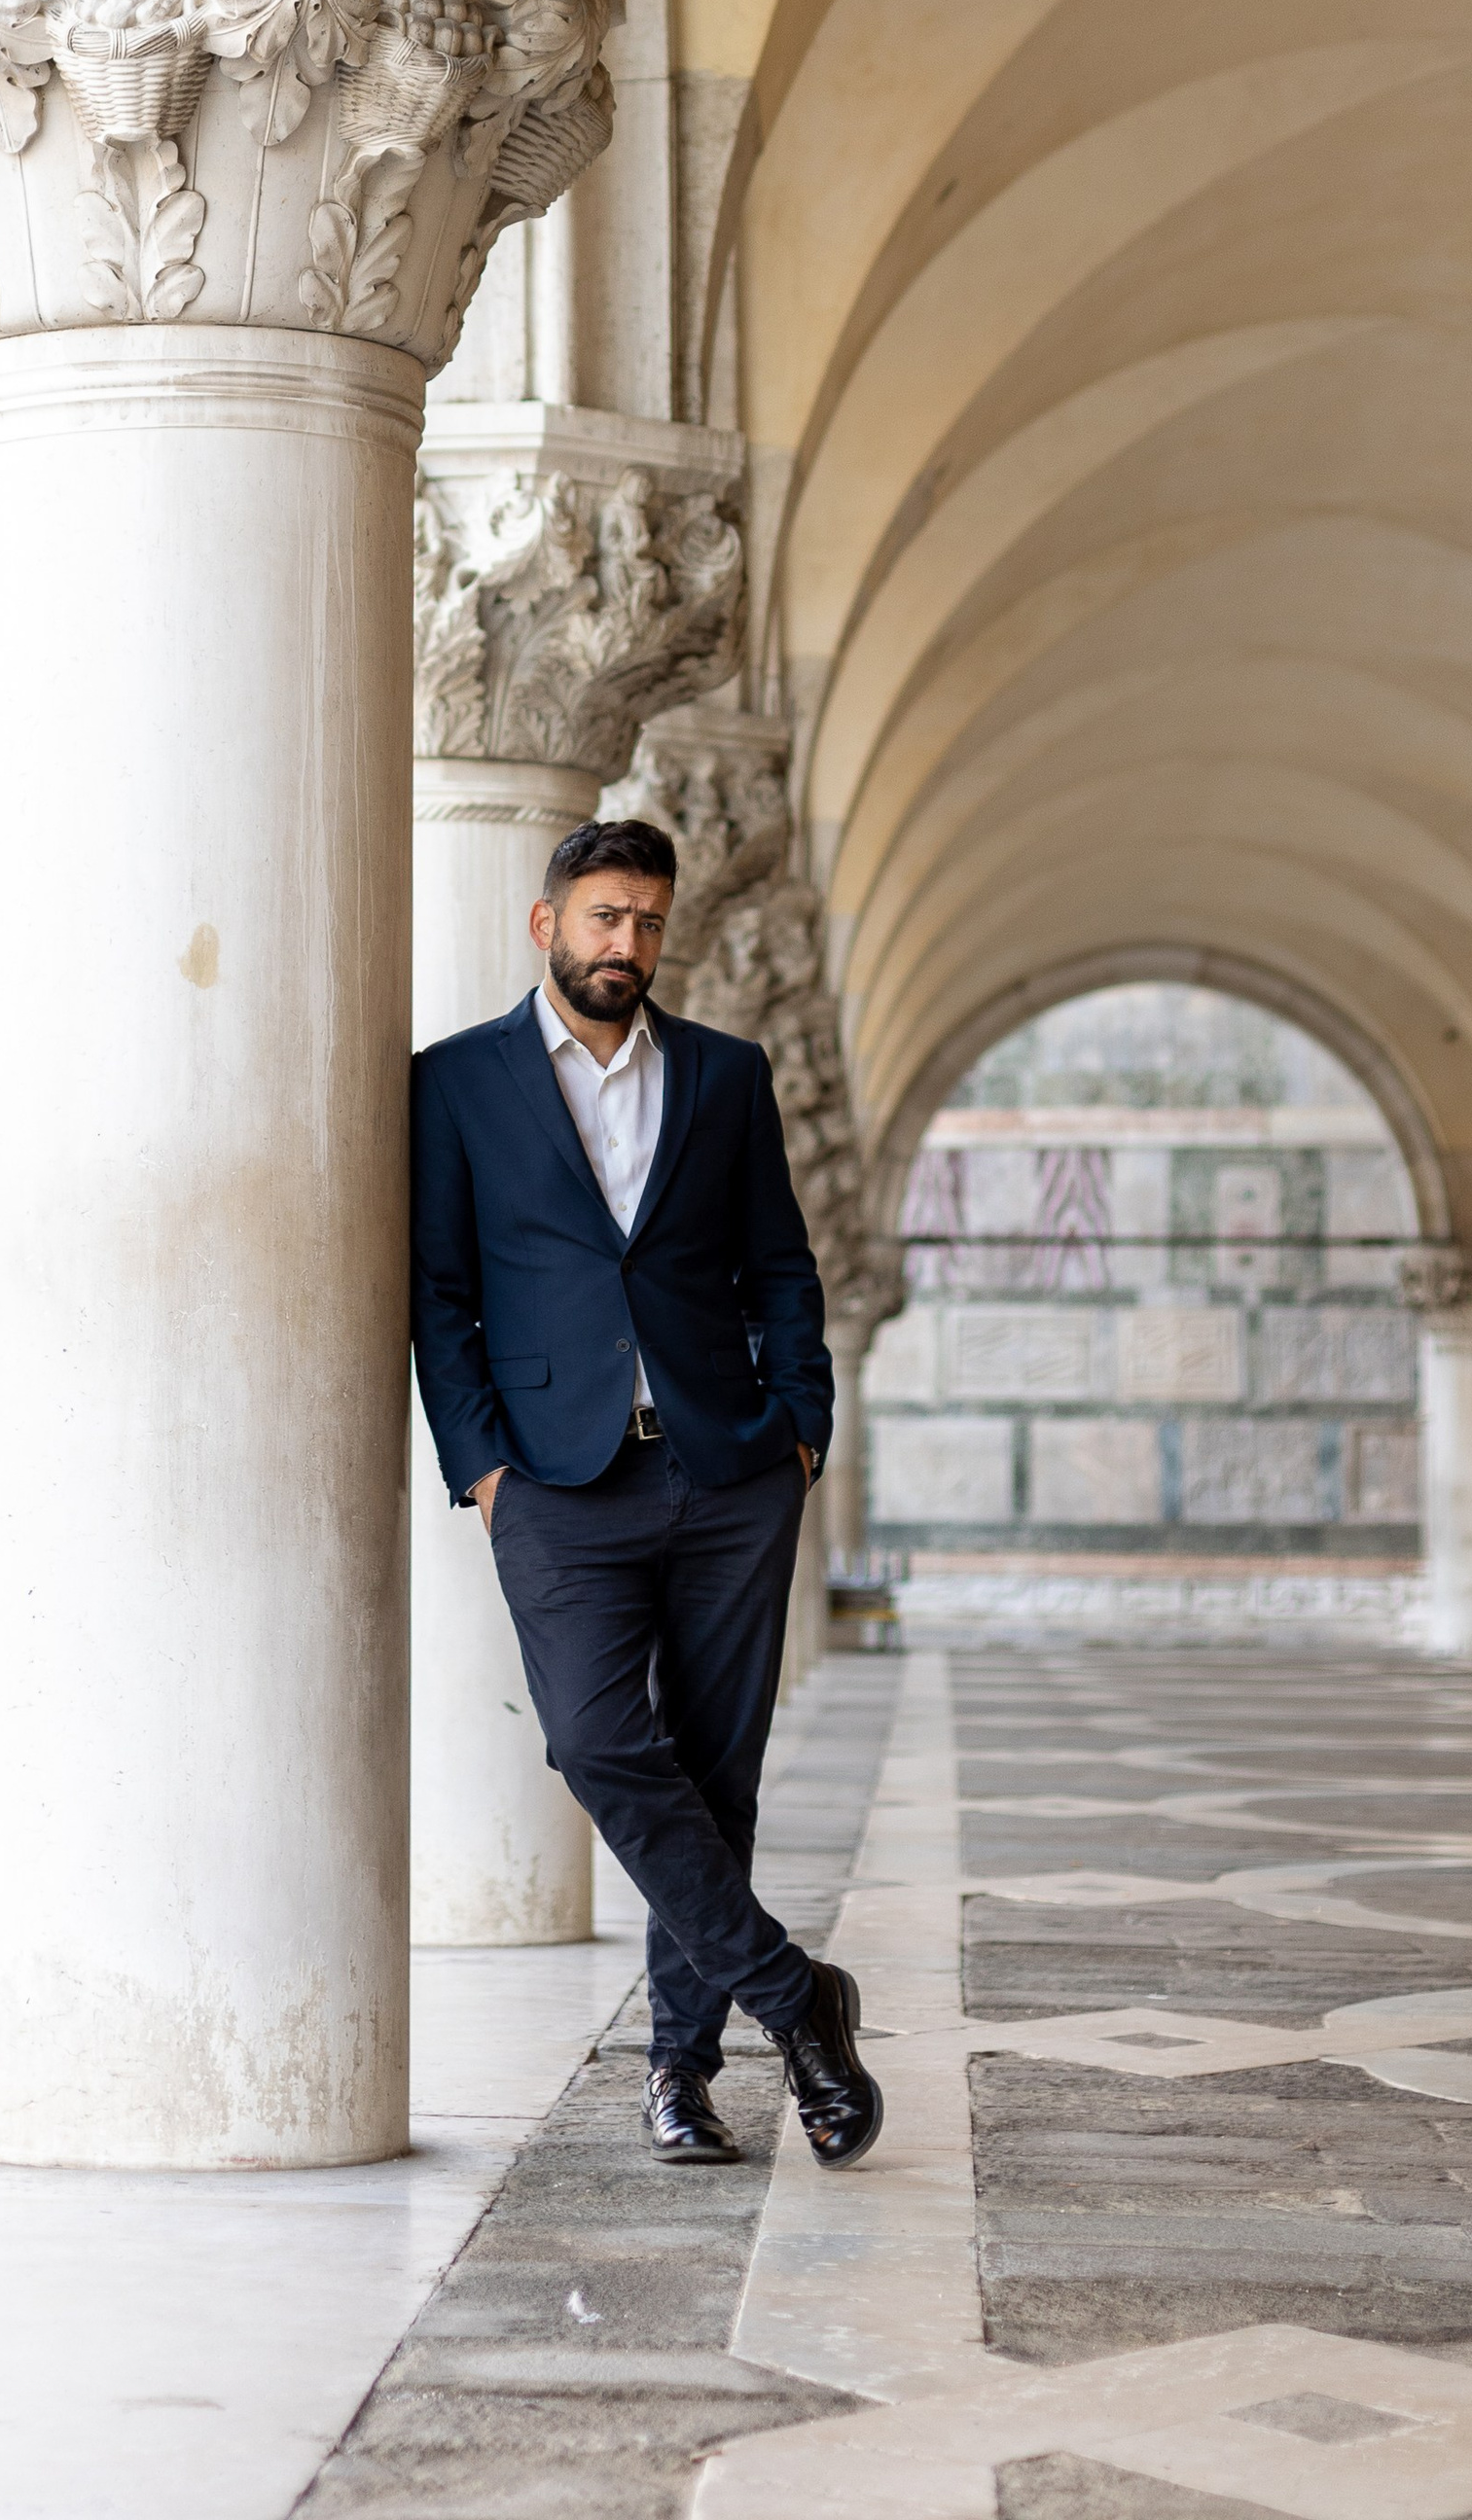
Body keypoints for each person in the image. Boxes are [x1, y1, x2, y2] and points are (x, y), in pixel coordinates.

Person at [410, 815, 882, 2172]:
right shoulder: (456, 1086)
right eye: (605, 917)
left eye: (650, 922)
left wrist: (803, 1430)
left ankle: (682, 2075)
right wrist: (485, 1470)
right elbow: (441, 1300)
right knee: (602, 1744)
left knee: (717, 1777)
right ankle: (798, 1998)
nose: (629, 944)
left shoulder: (727, 1078)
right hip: (555, 1481)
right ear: (545, 922)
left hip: (731, 1468)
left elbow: (781, 1266)